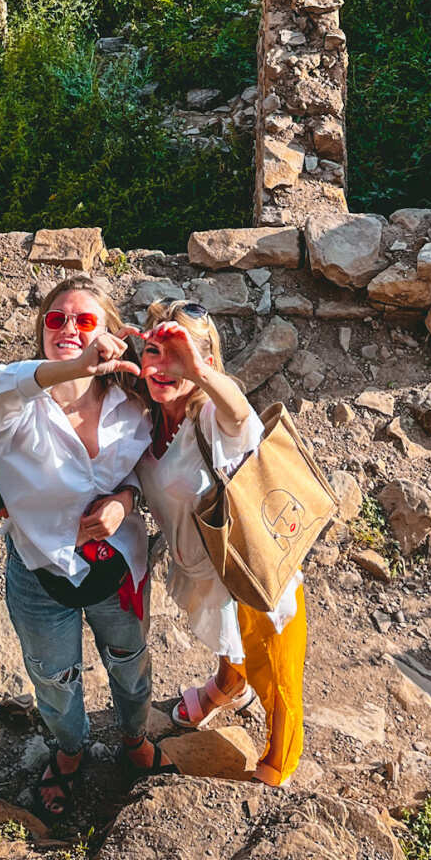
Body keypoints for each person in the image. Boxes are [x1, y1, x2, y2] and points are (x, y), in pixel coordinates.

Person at [0, 275, 171, 825]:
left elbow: (143, 473)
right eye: (56, 319)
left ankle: (134, 735)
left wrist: (124, 502)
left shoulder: (134, 405)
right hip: (40, 573)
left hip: (117, 569)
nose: (68, 328)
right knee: (53, 675)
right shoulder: (14, 403)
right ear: (41, 329)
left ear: (109, 332)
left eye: (84, 321)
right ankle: (69, 748)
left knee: (129, 658)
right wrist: (80, 365)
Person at [135, 299, 309, 788]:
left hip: (251, 566)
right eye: (155, 352)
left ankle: (279, 763)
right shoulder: (145, 414)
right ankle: (229, 684)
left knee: (275, 670)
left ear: (205, 363)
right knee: (227, 637)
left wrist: (200, 374)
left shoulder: (213, 416)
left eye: (180, 357)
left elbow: (240, 414)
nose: (164, 367)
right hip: (204, 564)